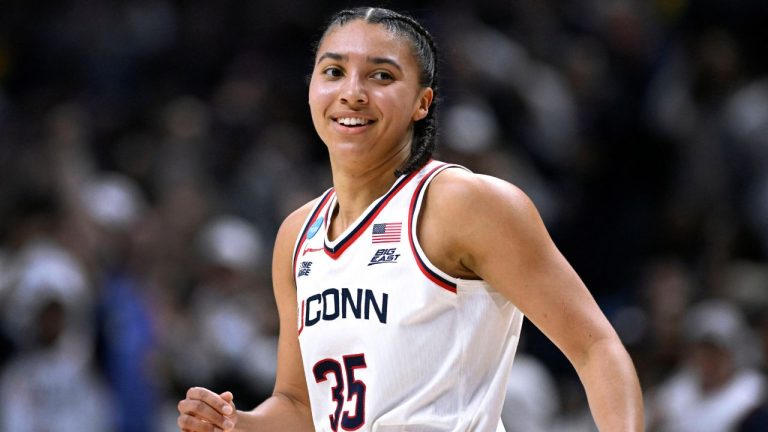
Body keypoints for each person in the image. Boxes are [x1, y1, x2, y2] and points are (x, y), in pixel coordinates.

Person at [177, 7, 643, 431]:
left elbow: (595, 348)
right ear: (312, 89)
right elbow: (300, 406)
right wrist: (236, 423)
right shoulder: (298, 234)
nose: (352, 93)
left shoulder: (463, 203)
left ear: (423, 102)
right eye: (334, 72)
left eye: (381, 75)